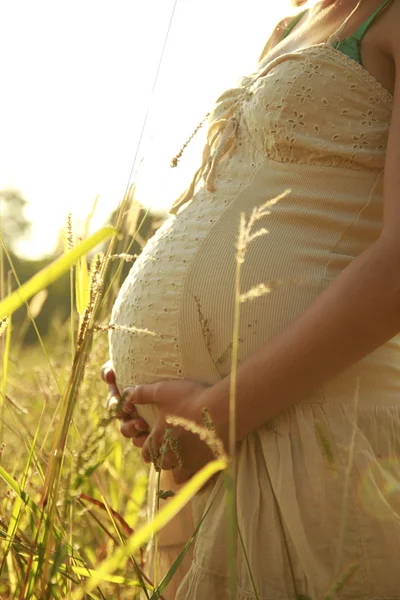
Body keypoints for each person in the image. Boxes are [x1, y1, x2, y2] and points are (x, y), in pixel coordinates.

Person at [102, 0, 400, 597]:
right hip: (218, 455)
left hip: (316, 434)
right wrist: (147, 373)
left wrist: (220, 414)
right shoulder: (290, 27)